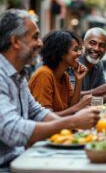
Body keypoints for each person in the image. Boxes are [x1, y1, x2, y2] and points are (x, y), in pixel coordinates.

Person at [0, 9, 100, 168]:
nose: (40, 43)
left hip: (21, 160)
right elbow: (12, 131)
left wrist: (75, 127)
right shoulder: (4, 76)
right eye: (35, 37)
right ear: (15, 42)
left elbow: (37, 112)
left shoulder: (18, 76)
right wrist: (71, 122)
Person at [29, 30, 91, 116]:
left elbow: (71, 108)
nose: (79, 54)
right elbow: (45, 118)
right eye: (75, 49)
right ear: (61, 53)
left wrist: (78, 81)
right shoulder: (44, 74)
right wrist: (78, 107)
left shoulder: (64, 76)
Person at [70, 27, 106, 103]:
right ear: (83, 44)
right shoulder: (73, 62)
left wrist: (88, 102)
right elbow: (71, 96)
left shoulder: (98, 64)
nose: (97, 48)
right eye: (92, 43)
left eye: (101, 45)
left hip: (84, 108)